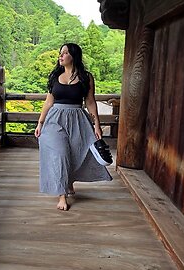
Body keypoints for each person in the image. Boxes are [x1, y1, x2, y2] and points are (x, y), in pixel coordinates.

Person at [34, 43, 112, 211]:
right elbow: (49, 102)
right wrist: (40, 122)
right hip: (55, 120)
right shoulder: (55, 76)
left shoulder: (86, 77)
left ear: (74, 56)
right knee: (59, 154)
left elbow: (90, 102)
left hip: (78, 119)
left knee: (76, 153)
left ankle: (68, 181)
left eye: (65, 53)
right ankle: (62, 194)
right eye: (60, 53)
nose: (60, 56)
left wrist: (97, 125)